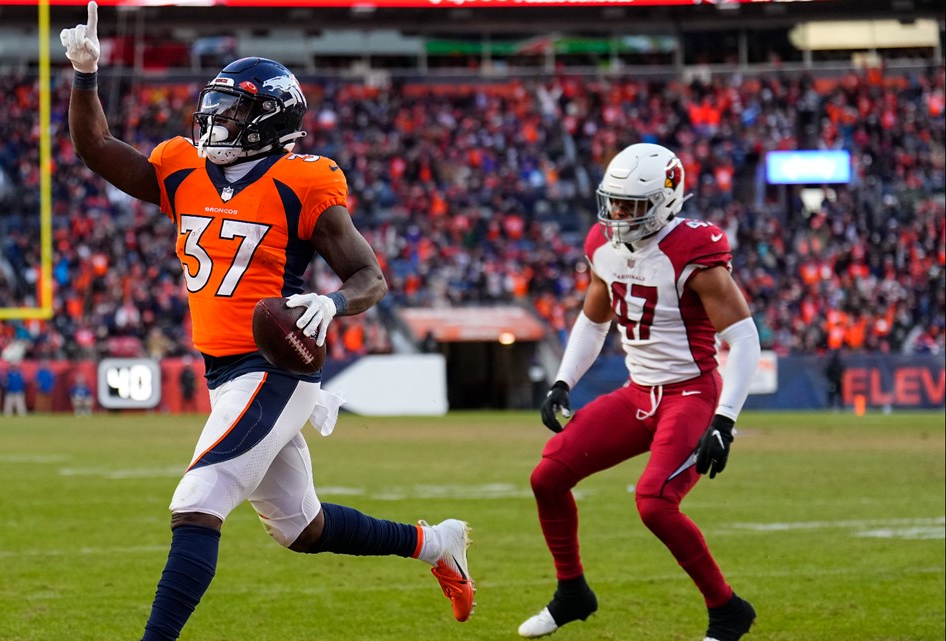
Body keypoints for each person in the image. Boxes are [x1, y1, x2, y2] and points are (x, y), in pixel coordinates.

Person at [60, 6, 474, 640]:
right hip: (225, 373)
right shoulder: (182, 169)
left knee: (198, 501)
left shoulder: (301, 182)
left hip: (276, 366)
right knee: (300, 528)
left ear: (270, 119)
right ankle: (433, 544)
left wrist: (332, 304)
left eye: (231, 111)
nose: (214, 120)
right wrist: (85, 75)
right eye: (215, 107)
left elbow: (370, 277)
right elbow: (96, 148)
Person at [519, 143, 760, 641]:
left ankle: (728, 610)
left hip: (691, 393)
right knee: (547, 478)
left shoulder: (693, 251)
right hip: (639, 392)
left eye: (633, 205)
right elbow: (593, 319)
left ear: (668, 200)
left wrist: (726, 419)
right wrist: (563, 381)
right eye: (615, 202)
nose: (620, 215)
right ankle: (572, 593)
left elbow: (743, 338)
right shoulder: (603, 246)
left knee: (654, 503)